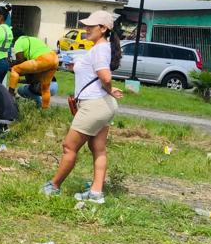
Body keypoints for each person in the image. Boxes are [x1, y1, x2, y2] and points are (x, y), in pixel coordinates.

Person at [43, 11, 124, 203]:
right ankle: (96, 193)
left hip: (93, 106)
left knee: (69, 147)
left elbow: (105, 76)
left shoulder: (99, 49)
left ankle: (53, 185)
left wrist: (110, 88)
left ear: (103, 29)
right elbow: (98, 76)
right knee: (98, 149)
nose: (86, 29)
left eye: (90, 26)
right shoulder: (101, 48)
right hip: (103, 105)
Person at [8, 31, 59, 109]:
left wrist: (11, 65)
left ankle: (9, 97)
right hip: (54, 58)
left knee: (15, 69)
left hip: (44, 59)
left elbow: (20, 60)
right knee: (45, 88)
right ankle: (44, 110)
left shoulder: (18, 42)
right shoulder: (34, 39)